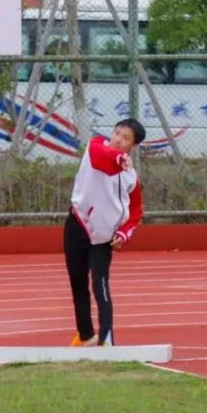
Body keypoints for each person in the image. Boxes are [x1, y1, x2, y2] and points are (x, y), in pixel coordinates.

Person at [64, 118, 145, 347]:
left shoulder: (131, 176)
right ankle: (86, 336)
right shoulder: (95, 147)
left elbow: (137, 209)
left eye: (126, 138)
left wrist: (124, 233)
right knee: (77, 281)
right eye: (117, 133)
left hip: (104, 235)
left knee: (99, 284)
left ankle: (106, 338)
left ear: (134, 146)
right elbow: (103, 159)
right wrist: (119, 158)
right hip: (77, 224)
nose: (118, 139)